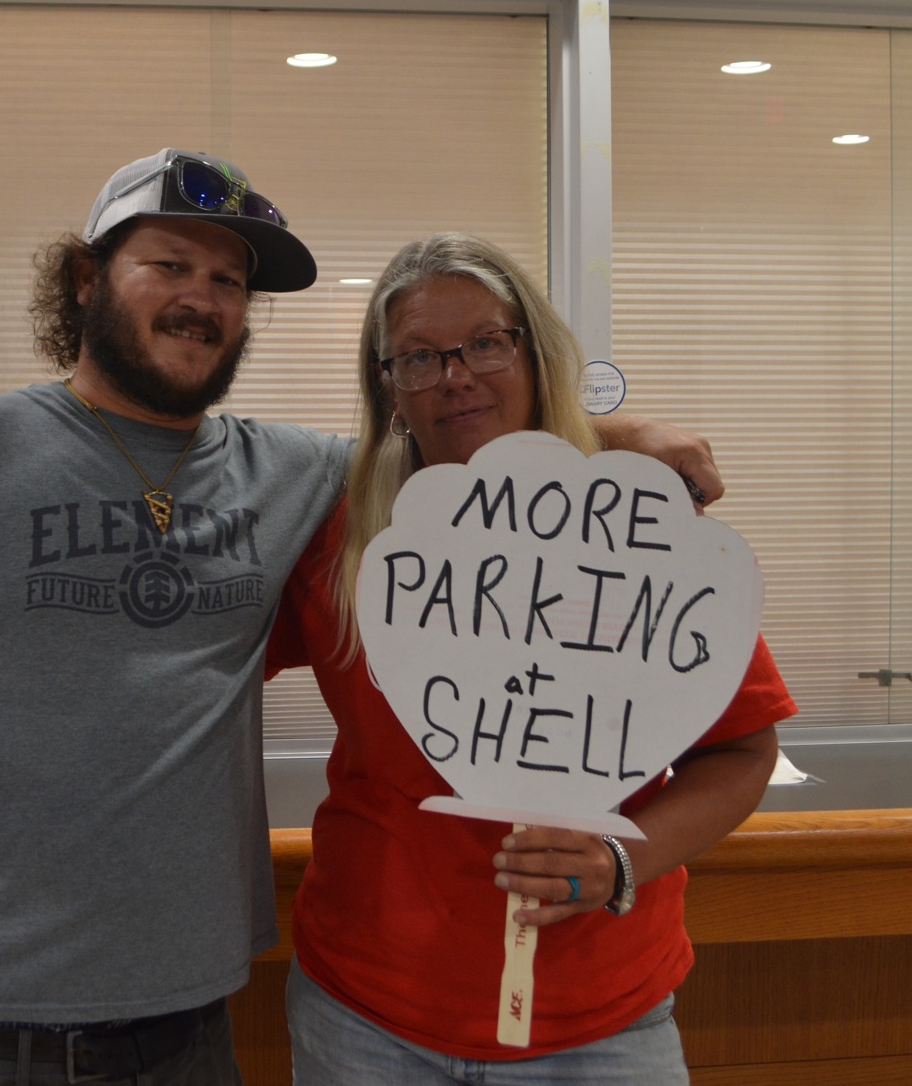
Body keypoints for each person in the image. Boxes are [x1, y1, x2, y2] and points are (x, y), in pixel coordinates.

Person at [0, 153, 729, 1086]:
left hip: (184, 1022)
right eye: (168, 264)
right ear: (87, 280)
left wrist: (615, 435)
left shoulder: (301, 475)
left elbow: (468, 442)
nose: (202, 297)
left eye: (227, 280)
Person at [265, 233, 796, 1085]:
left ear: (534, 352)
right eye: (419, 356)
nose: (455, 374)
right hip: (366, 1012)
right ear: (390, 387)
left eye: (485, 342)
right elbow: (206, 653)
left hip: (600, 1019)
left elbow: (743, 751)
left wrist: (625, 859)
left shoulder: (635, 536)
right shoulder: (344, 539)